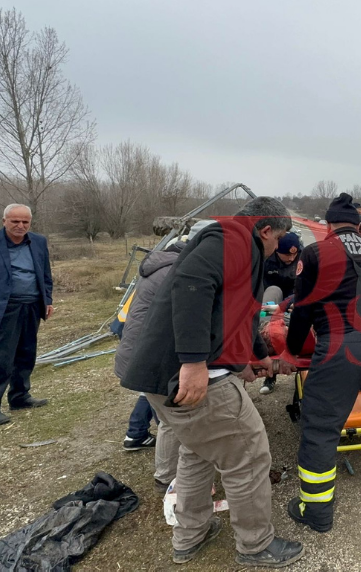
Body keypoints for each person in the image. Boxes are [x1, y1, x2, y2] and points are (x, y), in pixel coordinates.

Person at [121, 197, 304, 568]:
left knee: (198, 453)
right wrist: (192, 362)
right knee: (249, 457)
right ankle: (255, 545)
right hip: (190, 379)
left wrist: (260, 358)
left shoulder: (239, 250)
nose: (276, 248)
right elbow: (191, 285)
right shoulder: (230, 239)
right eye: (277, 239)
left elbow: (243, 314)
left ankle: (191, 535)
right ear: (266, 230)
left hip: (164, 380)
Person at [286, 193, 361, 533]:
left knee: (322, 428)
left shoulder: (313, 254)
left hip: (338, 347)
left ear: (328, 226)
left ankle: (316, 512)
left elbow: (303, 310)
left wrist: (291, 351)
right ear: (358, 226)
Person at [114, 239, 189, 493]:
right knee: (178, 421)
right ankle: (172, 480)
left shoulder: (159, 266)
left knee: (168, 419)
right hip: (150, 357)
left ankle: (165, 476)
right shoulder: (176, 271)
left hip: (137, 354)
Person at [0, 204, 53, 425]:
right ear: (4, 221)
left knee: (26, 353)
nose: (20, 226)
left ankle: (20, 396)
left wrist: (47, 300)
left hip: (32, 305)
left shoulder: (38, 242)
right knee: (3, 357)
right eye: (15, 221)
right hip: (6, 308)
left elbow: (46, 274)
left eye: (25, 222)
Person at [260, 232, 303, 395]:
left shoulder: (303, 258)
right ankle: (270, 376)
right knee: (270, 330)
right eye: (286, 256)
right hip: (271, 301)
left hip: (293, 300)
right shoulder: (266, 260)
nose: (291, 259)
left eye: (294, 255)